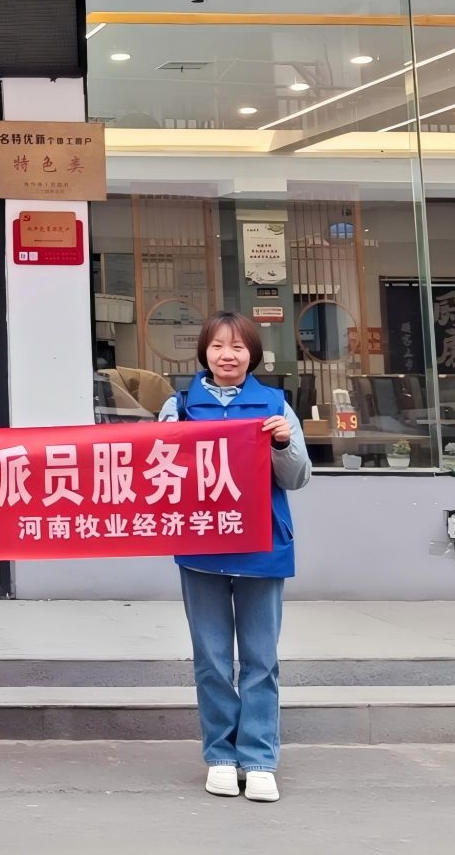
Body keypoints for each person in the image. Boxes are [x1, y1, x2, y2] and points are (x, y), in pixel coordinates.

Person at [157, 310, 312, 804]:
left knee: (262, 660)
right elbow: (157, 473)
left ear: (253, 355)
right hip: (202, 547)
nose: (228, 355)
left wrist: (282, 444)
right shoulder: (179, 406)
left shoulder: (275, 406)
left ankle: (259, 758)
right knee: (212, 660)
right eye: (219, 346)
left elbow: (297, 478)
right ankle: (221, 755)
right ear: (204, 352)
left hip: (262, 547)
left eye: (238, 347)